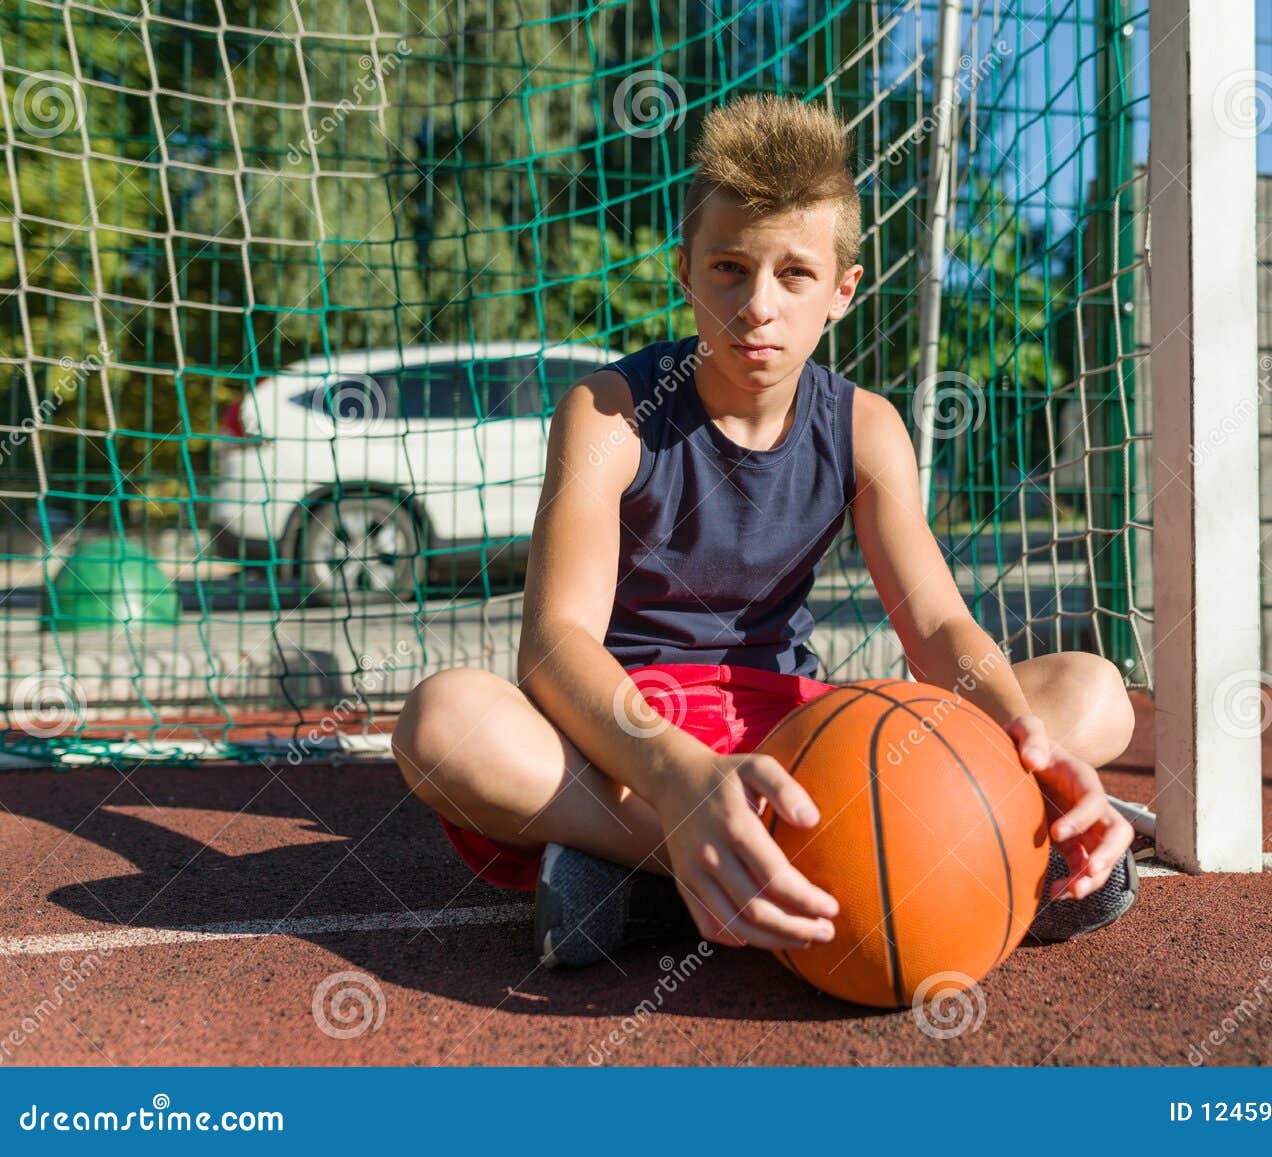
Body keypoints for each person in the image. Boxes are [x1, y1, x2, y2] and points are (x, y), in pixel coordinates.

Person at [392, 94, 1137, 970]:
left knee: (1091, 695)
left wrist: (1029, 745)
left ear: (842, 291)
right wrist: (677, 777)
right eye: (729, 268)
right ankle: (758, 860)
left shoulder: (865, 428)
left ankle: (651, 880)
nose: (757, 305)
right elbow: (555, 647)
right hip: (635, 740)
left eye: (793, 275)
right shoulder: (607, 413)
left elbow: (936, 630)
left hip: (797, 736)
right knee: (444, 723)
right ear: (685, 268)